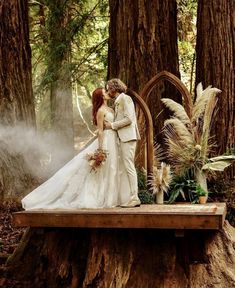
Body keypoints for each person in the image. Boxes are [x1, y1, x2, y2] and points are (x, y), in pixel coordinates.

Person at [21, 88, 132, 210]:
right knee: (105, 168)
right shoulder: (100, 111)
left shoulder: (111, 109)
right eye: (104, 92)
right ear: (101, 97)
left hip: (115, 140)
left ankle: (113, 197)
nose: (107, 93)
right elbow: (100, 131)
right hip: (106, 141)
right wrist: (100, 149)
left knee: (113, 168)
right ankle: (102, 197)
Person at [105, 78, 141, 207]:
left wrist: (112, 125)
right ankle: (127, 197)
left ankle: (135, 197)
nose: (107, 91)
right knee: (125, 168)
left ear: (114, 88)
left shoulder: (125, 98)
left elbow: (129, 119)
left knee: (129, 167)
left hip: (128, 137)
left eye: (108, 88)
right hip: (121, 138)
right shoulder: (117, 101)